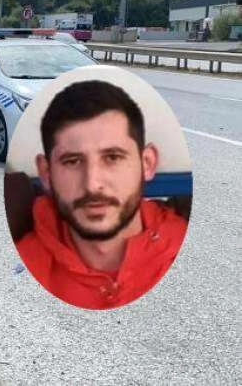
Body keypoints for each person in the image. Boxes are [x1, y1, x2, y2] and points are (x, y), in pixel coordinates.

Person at [15, 80, 188, 310]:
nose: (92, 185)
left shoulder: (187, 253)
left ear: (147, 163)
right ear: (46, 173)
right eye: (72, 161)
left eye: (113, 157)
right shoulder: (20, 269)